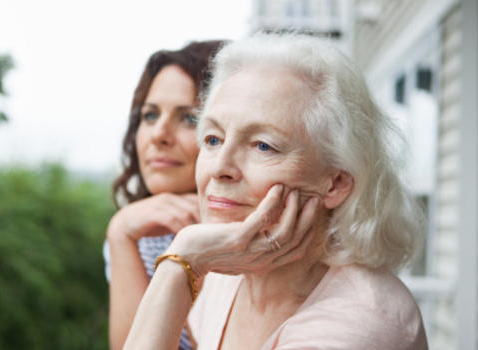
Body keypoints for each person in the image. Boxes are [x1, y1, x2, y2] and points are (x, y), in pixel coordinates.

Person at [124, 33, 428, 350]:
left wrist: (178, 263)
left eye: (263, 145)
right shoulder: (223, 275)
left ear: (335, 183)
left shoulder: (362, 323)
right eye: (213, 139)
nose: (220, 167)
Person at [104, 40, 225, 350]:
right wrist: (120, 235)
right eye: (150, 115)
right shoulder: (139, 235)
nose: (159, 134)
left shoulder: (258, 234)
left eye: (189, 118)